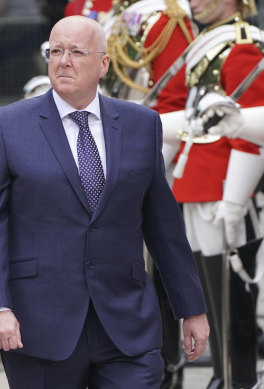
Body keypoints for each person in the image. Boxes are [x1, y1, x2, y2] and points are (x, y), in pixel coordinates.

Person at [0, 15, 209, 388]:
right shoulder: (7, 126)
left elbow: (163, 225)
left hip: (127, 324)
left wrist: (191, 308)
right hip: (39, 326)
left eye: (77, 52)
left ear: (103, 64)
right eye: (56, 51)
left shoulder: (141, 125)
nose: (64, 61)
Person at [159, 0, 264, 386]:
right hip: (195, 182)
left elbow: (249, 128)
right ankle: (221, 371)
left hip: (224, 186)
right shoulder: (206, 42)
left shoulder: (243, 45)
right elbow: (187, 117)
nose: (194, 2)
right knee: (204, 292)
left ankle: (237, 377)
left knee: (233, 294)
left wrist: (235, 199)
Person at [100, 0, 196, 386]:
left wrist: (139, 164)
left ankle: (165, 361)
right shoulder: (101, 12)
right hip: (95, 142)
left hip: (145, 151)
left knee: (152, 267)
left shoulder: (166, 18)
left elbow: (171, 99)